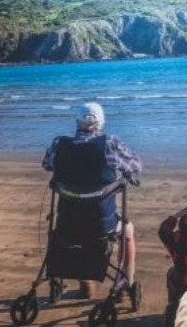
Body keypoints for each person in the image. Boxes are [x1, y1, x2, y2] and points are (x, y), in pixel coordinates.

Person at [42, 102, 142, 297]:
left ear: (77, 122)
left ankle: (85, 282)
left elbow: (47, 164)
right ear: (101, 123)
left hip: (67, 223)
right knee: (127, 230)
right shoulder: (110, 143)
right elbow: (135, 166)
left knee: (78, 217)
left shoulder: (59, 144)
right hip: (102, 224)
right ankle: (124, 282)